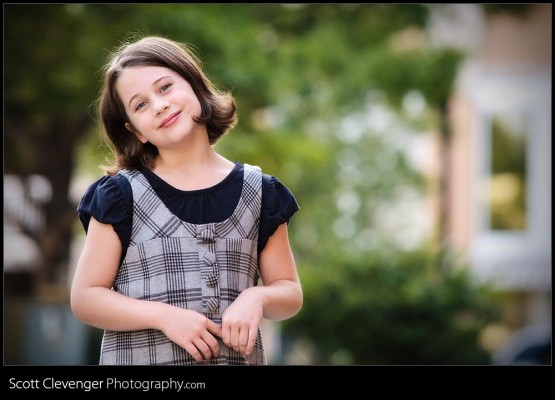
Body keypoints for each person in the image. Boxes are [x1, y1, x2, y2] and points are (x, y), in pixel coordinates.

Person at [70, 35, 303, 365]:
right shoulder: (119, 196)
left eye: (165, 87)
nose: (159, 105)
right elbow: (85, 299)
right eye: (140, 105)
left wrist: (258, 297)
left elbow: (289, 292)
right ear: (135, 130)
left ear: (194, 84)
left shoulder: (262, 192)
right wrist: (164, 317)